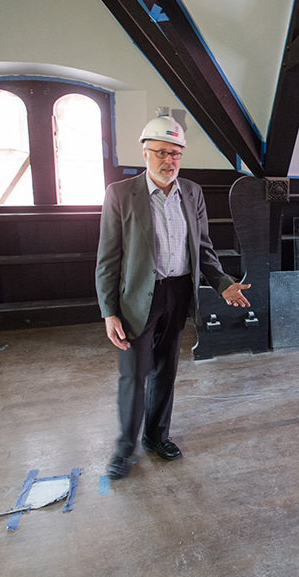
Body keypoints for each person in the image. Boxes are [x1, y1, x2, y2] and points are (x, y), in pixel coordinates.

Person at [95, 113, 251, 480]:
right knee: (134, 375)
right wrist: (108, 311)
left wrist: (222, 282)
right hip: (137, 300)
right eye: (163, 153)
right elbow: (107, 258)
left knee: (166, 371)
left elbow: (203, 248)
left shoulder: (192, 192)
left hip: (179, 293)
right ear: (145, 153)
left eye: (176, 154)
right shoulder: (121, 194)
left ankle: (156, 437)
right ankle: (123, 450)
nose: (170, 161)